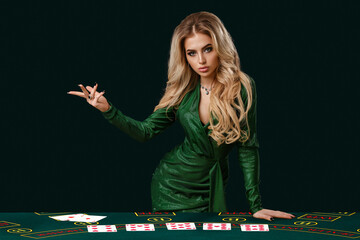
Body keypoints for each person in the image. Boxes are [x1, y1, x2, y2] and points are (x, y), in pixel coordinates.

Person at [68, 11, 295, 221]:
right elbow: (145, 132)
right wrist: (108, 110)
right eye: (192, 53)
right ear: (184, 56)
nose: (201, 61)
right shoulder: (182, 92)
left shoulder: (242, 87)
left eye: (208, 49)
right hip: (171, 185)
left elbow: (248, 147)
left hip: (211, 184)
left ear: (220, 47)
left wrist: (255, 206)